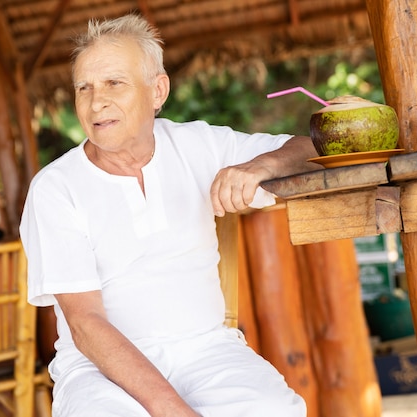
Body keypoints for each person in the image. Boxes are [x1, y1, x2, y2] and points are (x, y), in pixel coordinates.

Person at [20, 13, 321, 417]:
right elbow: (86, 325)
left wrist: (261, 166)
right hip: (98, 370)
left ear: (157, 90)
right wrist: (173, 410)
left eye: (114, 83)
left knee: (275, 409)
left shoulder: (199, 144)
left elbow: (311, 148)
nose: (96, 101)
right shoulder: (56, 188)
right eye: (84, 87)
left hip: (207, 350)